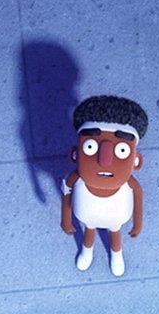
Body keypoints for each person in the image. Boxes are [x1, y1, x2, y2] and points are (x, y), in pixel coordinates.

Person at [60, 96, 148, 277]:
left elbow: (138, 196)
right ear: (74, 154)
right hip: (89, 217)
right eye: (90, 146)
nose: (104, 160)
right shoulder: (75, 177)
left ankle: (117, 256)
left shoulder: (130, 183)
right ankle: (87, 253)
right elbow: (67, 194)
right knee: (89, 231)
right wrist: (66, 219)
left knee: (115, 234)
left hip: (113, 218)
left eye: (122, 150)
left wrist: (138, 224)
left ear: (136, 161)